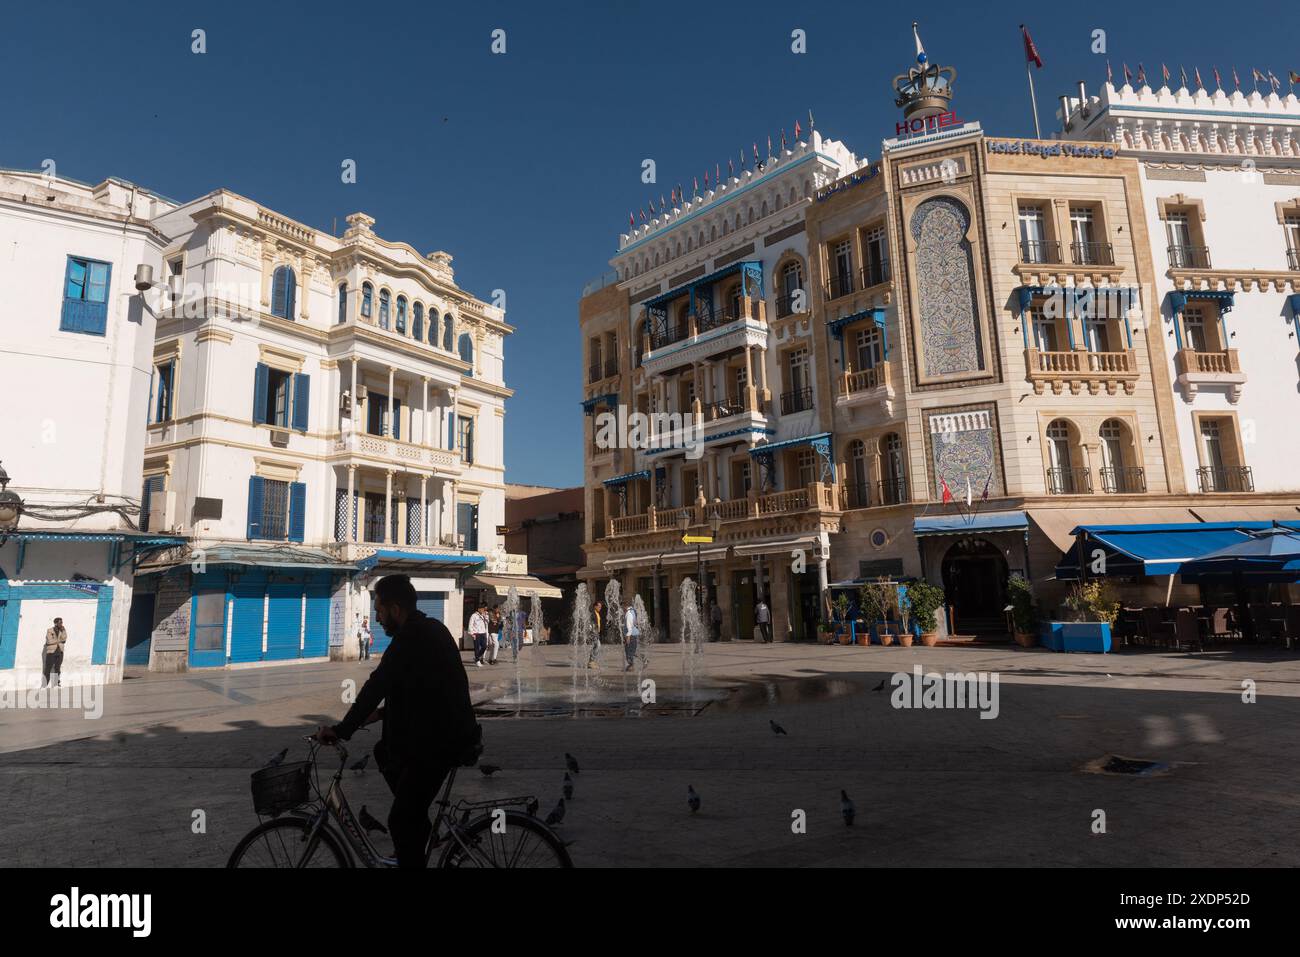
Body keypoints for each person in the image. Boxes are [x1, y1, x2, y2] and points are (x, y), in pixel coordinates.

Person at [316, 574, 479, 868]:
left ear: (394, 609)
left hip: (441, 743)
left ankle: (413, 849)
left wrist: (342, 730)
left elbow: (377, 685)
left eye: (378, 610)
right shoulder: (429, 628)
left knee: (400, 820)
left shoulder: (412, 636)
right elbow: (423, 690)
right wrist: (380, 714)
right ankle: (422, 838)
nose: (377, 618)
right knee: (384, 754)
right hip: (444, 734)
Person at [43, 618, 67, 687]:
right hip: (51, 652)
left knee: (57, 668)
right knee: (48, 668)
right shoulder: (50, 630)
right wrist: (59, 641)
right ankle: (44, 684)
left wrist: (63, 630)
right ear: (55, 623)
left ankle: (56, 684)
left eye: (62, 622)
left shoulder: (62, 630)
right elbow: (49, 641)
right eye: (60, 623)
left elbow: (64, 638)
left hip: (60, 652)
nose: (61, 624)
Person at [467, 602, 490, 667]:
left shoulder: (484, 615)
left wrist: (485, 616)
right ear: (479, 609)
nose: (483, 610)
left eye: (484, 609)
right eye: (482, 609)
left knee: (484, 646)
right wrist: (472, 633)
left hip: (483, 633)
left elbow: (488, 622)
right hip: (476, 633)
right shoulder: (474, 615)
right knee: (477, 647)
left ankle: (477, 657)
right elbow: (470, 625)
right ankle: (477, 660)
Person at [624, 603, 640, 671]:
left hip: (631, 635)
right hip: (634, 634)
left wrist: (628, 637)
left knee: (629, 651)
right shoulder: (633, 611)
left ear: (625, 606)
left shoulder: (629, 613)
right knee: (632, 650)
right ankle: (643, 659)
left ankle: (631, 666)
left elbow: (629, 626)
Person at [588, 600, 603, 669]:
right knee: (598, 646)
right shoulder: (592, 613)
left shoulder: (597, 613)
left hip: (596, 633)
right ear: (595, 606)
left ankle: (591, 662)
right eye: (599, 606)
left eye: (601, 607)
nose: (600, 608)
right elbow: (590, 623)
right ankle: (591, 662)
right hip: (593, 633)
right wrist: (593, 632)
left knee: (595, 646)